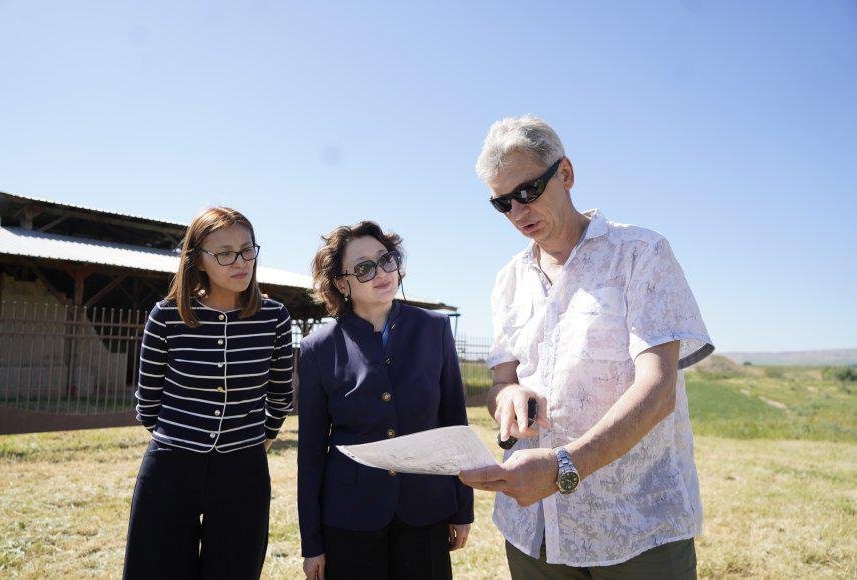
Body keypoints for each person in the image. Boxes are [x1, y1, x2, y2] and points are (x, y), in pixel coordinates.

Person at [459, 115, 714, 579]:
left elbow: (658, 390)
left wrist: (563, 467)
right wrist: (508, 396)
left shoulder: (640, 254)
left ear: (566, 173)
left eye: (527, 191)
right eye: (502, 203)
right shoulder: (509, 280)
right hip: (532, 530)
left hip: (634, 526)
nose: (517, 212)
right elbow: (500, 382)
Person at [123, 207, 294, 579]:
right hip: (171, 469)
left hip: (244, 471)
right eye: (225, 254)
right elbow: (147, 402)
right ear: (197, 260)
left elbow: (281, 395)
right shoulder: (166, 316)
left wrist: (256, 441)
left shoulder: (275, 318)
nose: (241, 262)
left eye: (247, 250)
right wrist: (181, 441)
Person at [297, 221, 474, 580]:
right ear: (342, 283)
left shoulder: (435, 329)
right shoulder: (317, 348)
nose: (381, 272)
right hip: (350, 514)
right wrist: (311, 542)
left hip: (426, 506)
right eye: (364, 267)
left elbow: (455, 423)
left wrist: (462, 509)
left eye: (386, 259)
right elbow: (311, 452)